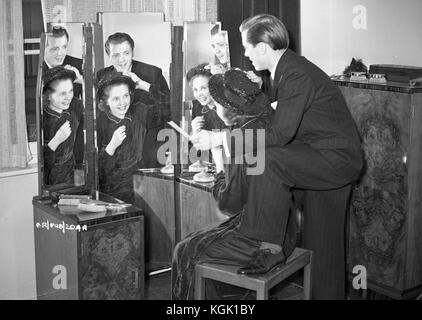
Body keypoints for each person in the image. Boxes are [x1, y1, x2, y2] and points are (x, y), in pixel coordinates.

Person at [191, 14, 364, 299]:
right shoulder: (287, 70)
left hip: (334, 160)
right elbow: (289, 116)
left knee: (269, 159)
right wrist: (259, 92)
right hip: (321, 158)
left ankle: (266, 246)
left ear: (262, 47)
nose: (245, 54)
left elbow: (279, 135)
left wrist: (219, 138)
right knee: (323, 251)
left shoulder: (294, 72)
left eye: (247, 48)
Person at [172, 69, 297, 300]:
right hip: (285, 229)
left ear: (229, 110)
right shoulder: (266, 123)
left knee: (185, 249)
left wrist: (218, 154)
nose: (215, 107)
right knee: (193, 243)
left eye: (217, 103)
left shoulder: (240, 141)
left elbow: (229, 202)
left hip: (262, 241)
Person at [97, 32, 170, 168]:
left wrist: (144, 85)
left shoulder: (153, 73)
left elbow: (170, 104)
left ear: (132, 53)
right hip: (116, 147)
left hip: (149, 147)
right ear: (109, 56)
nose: (121, 60)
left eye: (126, 53)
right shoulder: (101, 76)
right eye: (116, 55)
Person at [96, 72, 161, 203]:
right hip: (112, 195)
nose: (123, 103)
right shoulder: (99, 123)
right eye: (115, 99)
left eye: (125, 96)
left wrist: (144, 86)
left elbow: (170, 106)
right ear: (106, 102)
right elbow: (98, 173)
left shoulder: (140, 111)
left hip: (142, 189)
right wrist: (111, 147)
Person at [42, 66, 84, 186]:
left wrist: (80, 79)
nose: (68, 97)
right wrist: (56, 140)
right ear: (48, 95)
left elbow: (98, 101)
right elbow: (44, 164)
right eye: (62, 93)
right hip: (51, 185)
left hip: (72, 179)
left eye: (71, 91)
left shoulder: (75, 106)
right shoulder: (43, 119)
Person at [43, 26, 83, 99]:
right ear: (43, 48)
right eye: (55, 49)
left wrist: (80, 79)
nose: (60, 53)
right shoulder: (34, 70)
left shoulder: (79, 64)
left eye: (64, 47)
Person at [186, 63, 226, 134]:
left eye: (203, 88)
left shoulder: (228, 108)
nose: (199, 94)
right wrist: (195, 132)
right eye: (195, 90)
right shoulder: (197, 106)